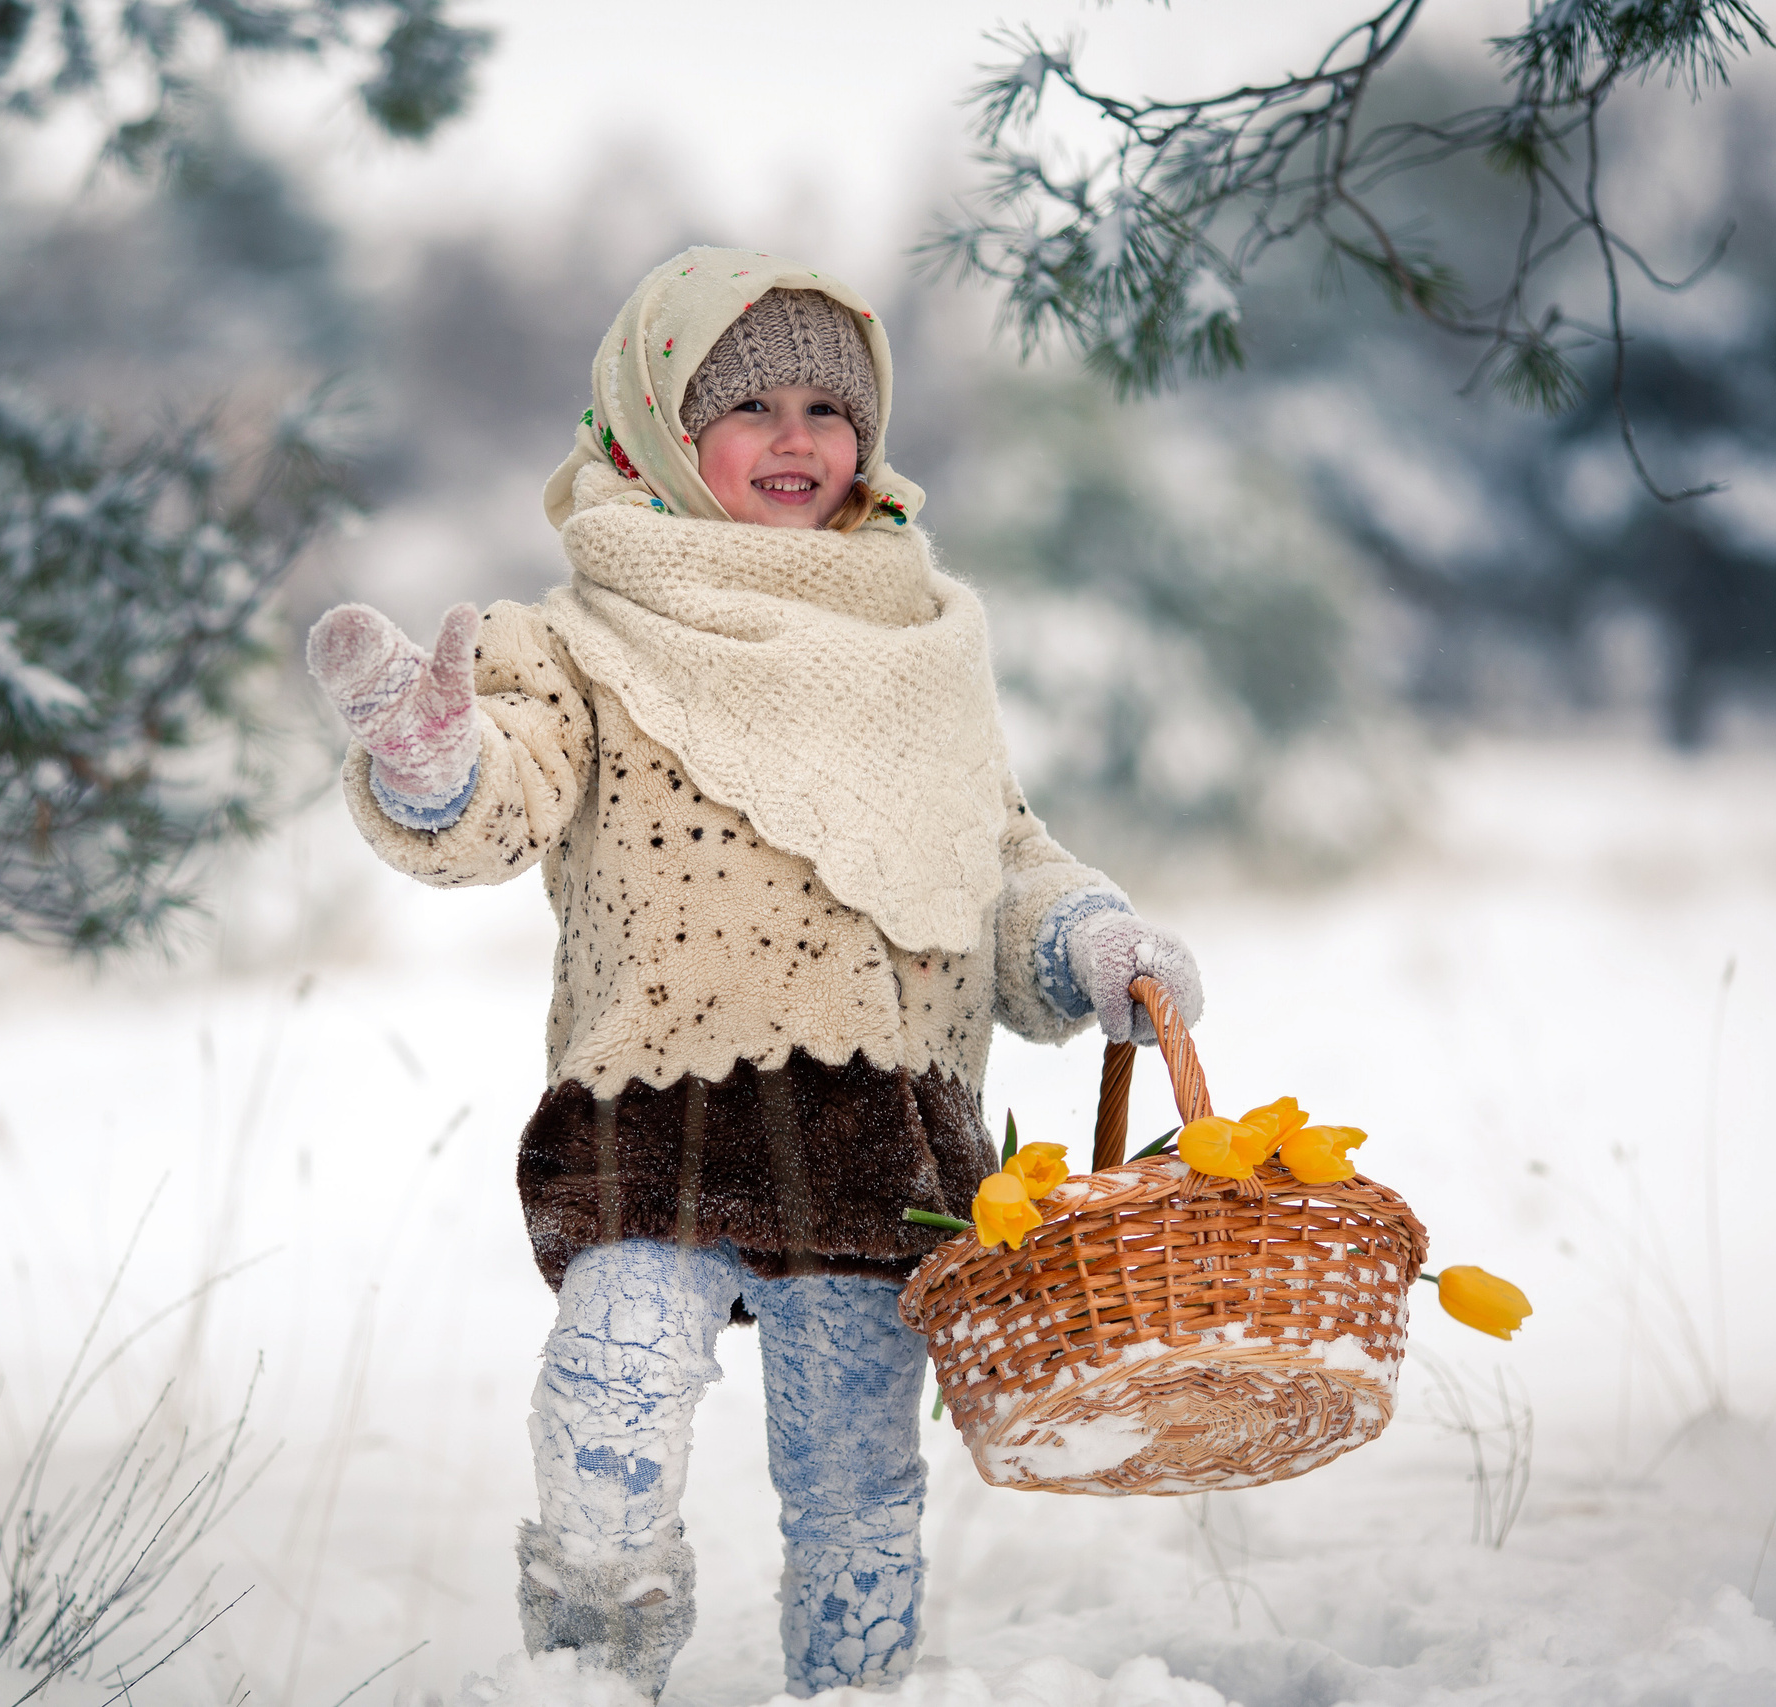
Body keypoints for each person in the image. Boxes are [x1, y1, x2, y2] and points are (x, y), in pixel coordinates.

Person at [306, 247, 1205, 1700]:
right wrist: (436, 766)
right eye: (752, 405)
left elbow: (994, 847)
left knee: (855, 1483)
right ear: (656, 419)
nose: (799, 440)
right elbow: (510, 799)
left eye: (829, 409)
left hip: (874, 1129)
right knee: (607, 1423)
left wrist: (1079, 936)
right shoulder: (577, 641)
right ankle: (590, 1676)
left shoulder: (915, 640)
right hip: (655, 1115)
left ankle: (852, 1686)